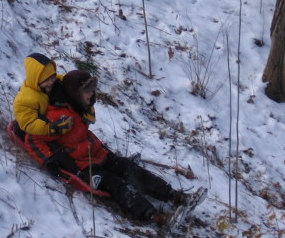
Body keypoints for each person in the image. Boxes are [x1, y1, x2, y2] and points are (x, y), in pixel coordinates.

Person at [13, 53, 198, 225]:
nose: (92, 95)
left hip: (95, 152)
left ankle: (174, 196)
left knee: (129, 168)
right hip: (82, 165)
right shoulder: (56, 116)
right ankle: (155, 216)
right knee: (115, 184)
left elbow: (68, 87)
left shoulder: (75, 106)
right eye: (88, 92)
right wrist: (49, 160)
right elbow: (33, 138)